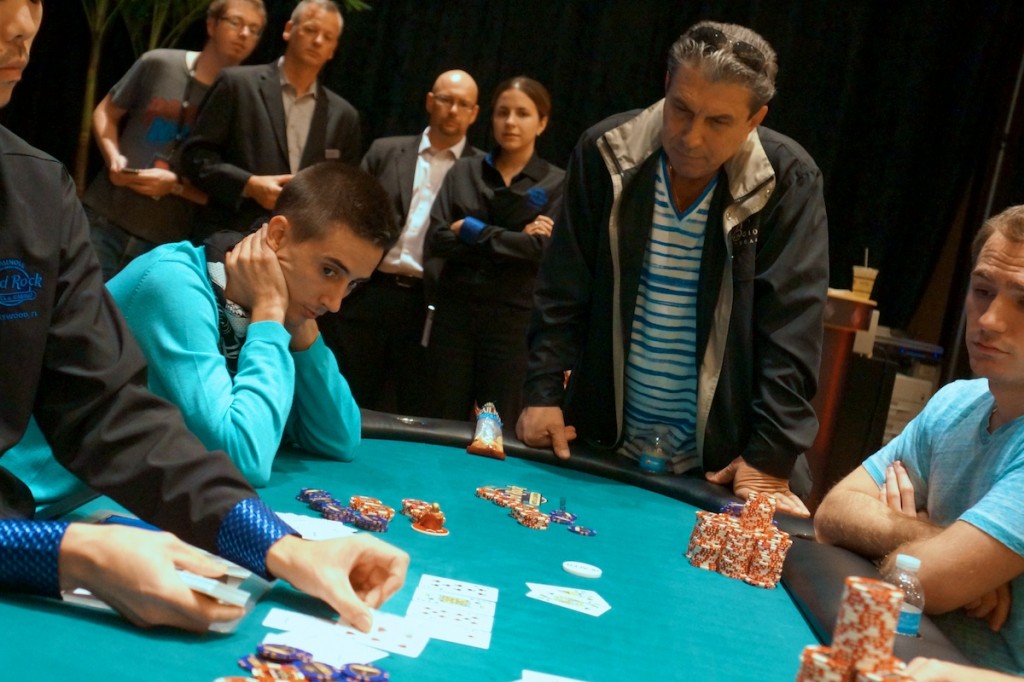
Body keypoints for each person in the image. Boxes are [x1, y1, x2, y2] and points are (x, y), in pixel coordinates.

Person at [0, 0, 407, 634]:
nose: (24, 27)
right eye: (328, 271)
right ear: (275, 235)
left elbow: (109, 412)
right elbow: (242, 453)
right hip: (41, 522)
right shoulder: (174, 279)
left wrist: (281, 546)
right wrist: (67, 554)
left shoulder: (36, 188)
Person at [516, 21, 828, 517]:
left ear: (755, 119)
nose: (690, 136)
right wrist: (542, 391)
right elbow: (562, 287)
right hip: (600, 441)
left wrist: (770, 455)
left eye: (718, 122)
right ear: (666, 85)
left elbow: (791, 328)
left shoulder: (787, 178)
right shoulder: (606, 152)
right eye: (681, 108)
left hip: (726, 464)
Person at [815, 205, 1024, 675]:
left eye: (1023, 301)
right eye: (982, 290)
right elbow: (832, 513)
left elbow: (930, 579)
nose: (989, 320)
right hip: (900, 658)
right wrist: (934, 537)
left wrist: (925, 559)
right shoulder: (955, 402)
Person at [317, 69, 482, 416]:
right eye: (446, 100)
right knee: (346, 393)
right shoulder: (386, 151)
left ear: (474, 113)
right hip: (370, 291)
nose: (453, 110)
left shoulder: (481, 170)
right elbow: (350, 213)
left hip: (433, 306)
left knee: (414, 407)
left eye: (463, 104)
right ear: (429, 101)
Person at [82, 0, 266, 281]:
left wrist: (176, 188)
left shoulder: (246, 103)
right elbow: (106, 111)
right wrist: (113, 158)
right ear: (211, 24)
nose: (244, 34)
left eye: (254, 30)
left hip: (165, 242)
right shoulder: (159, 63)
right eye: (236, 22)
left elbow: (228, 191)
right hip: (105, 216)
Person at [424, 76, 564, 421]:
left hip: (512, 322)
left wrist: (471, 230)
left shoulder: (556, 182)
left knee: (497, 424)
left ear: (542, 122)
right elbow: (438, 238)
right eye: (502, 113)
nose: (510, 122)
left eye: (522, 113)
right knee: (441, 417)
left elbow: (540, 252)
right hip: (454, 314)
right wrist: (516, 239)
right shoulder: (465, 170)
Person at [182, 0, 360, 240]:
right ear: (288, 29)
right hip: (228, 234)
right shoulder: (238, 84)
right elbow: (195, 158)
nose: (318, 41)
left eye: (327, 37)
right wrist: (248, 184)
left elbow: (341, 191)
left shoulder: (344, 116)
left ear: (333, 49)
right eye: (310, 30)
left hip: (296, 247)